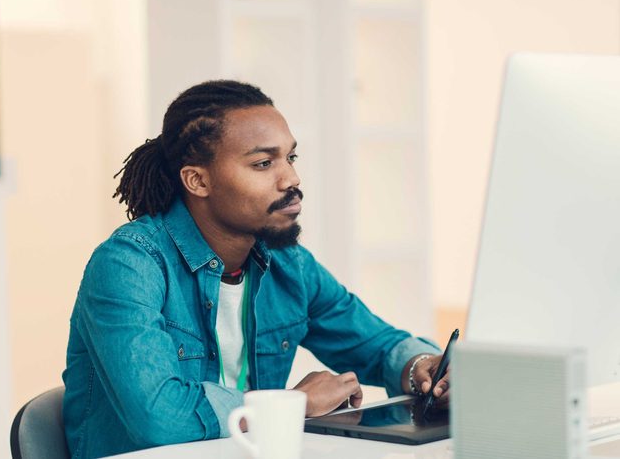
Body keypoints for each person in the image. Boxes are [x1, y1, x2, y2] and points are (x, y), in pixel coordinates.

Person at [62, 80, 449, 458]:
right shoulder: (129, 263)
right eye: (263, 163)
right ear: (197, 180)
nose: (291, 179)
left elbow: (377, 345)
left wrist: (424, 368)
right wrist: (290, 403)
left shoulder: (287, 263)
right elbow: (158, 416)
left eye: (290, 158)